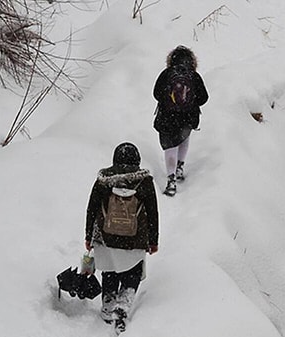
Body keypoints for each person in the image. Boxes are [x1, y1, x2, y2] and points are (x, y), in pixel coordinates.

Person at [85, 142, 159, 333]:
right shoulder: (144, 182)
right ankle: (123, 304)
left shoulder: (104, 180)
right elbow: (152, 212)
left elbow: (92, 208)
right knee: (132, 272)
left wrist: (88, 236)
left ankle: (108, 303)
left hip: (106, 236)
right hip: (135, 238)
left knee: (109, 270)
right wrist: (153, 240)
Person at [153, 45, 209, 196]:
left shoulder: (166, 74)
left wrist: (169, 102)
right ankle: (180, 167)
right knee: (183, 138)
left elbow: (156, 93)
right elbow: (204, 98)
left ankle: (171, 180)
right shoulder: (194, 76)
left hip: (167, 118)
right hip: (187, 117)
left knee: (170, 146)